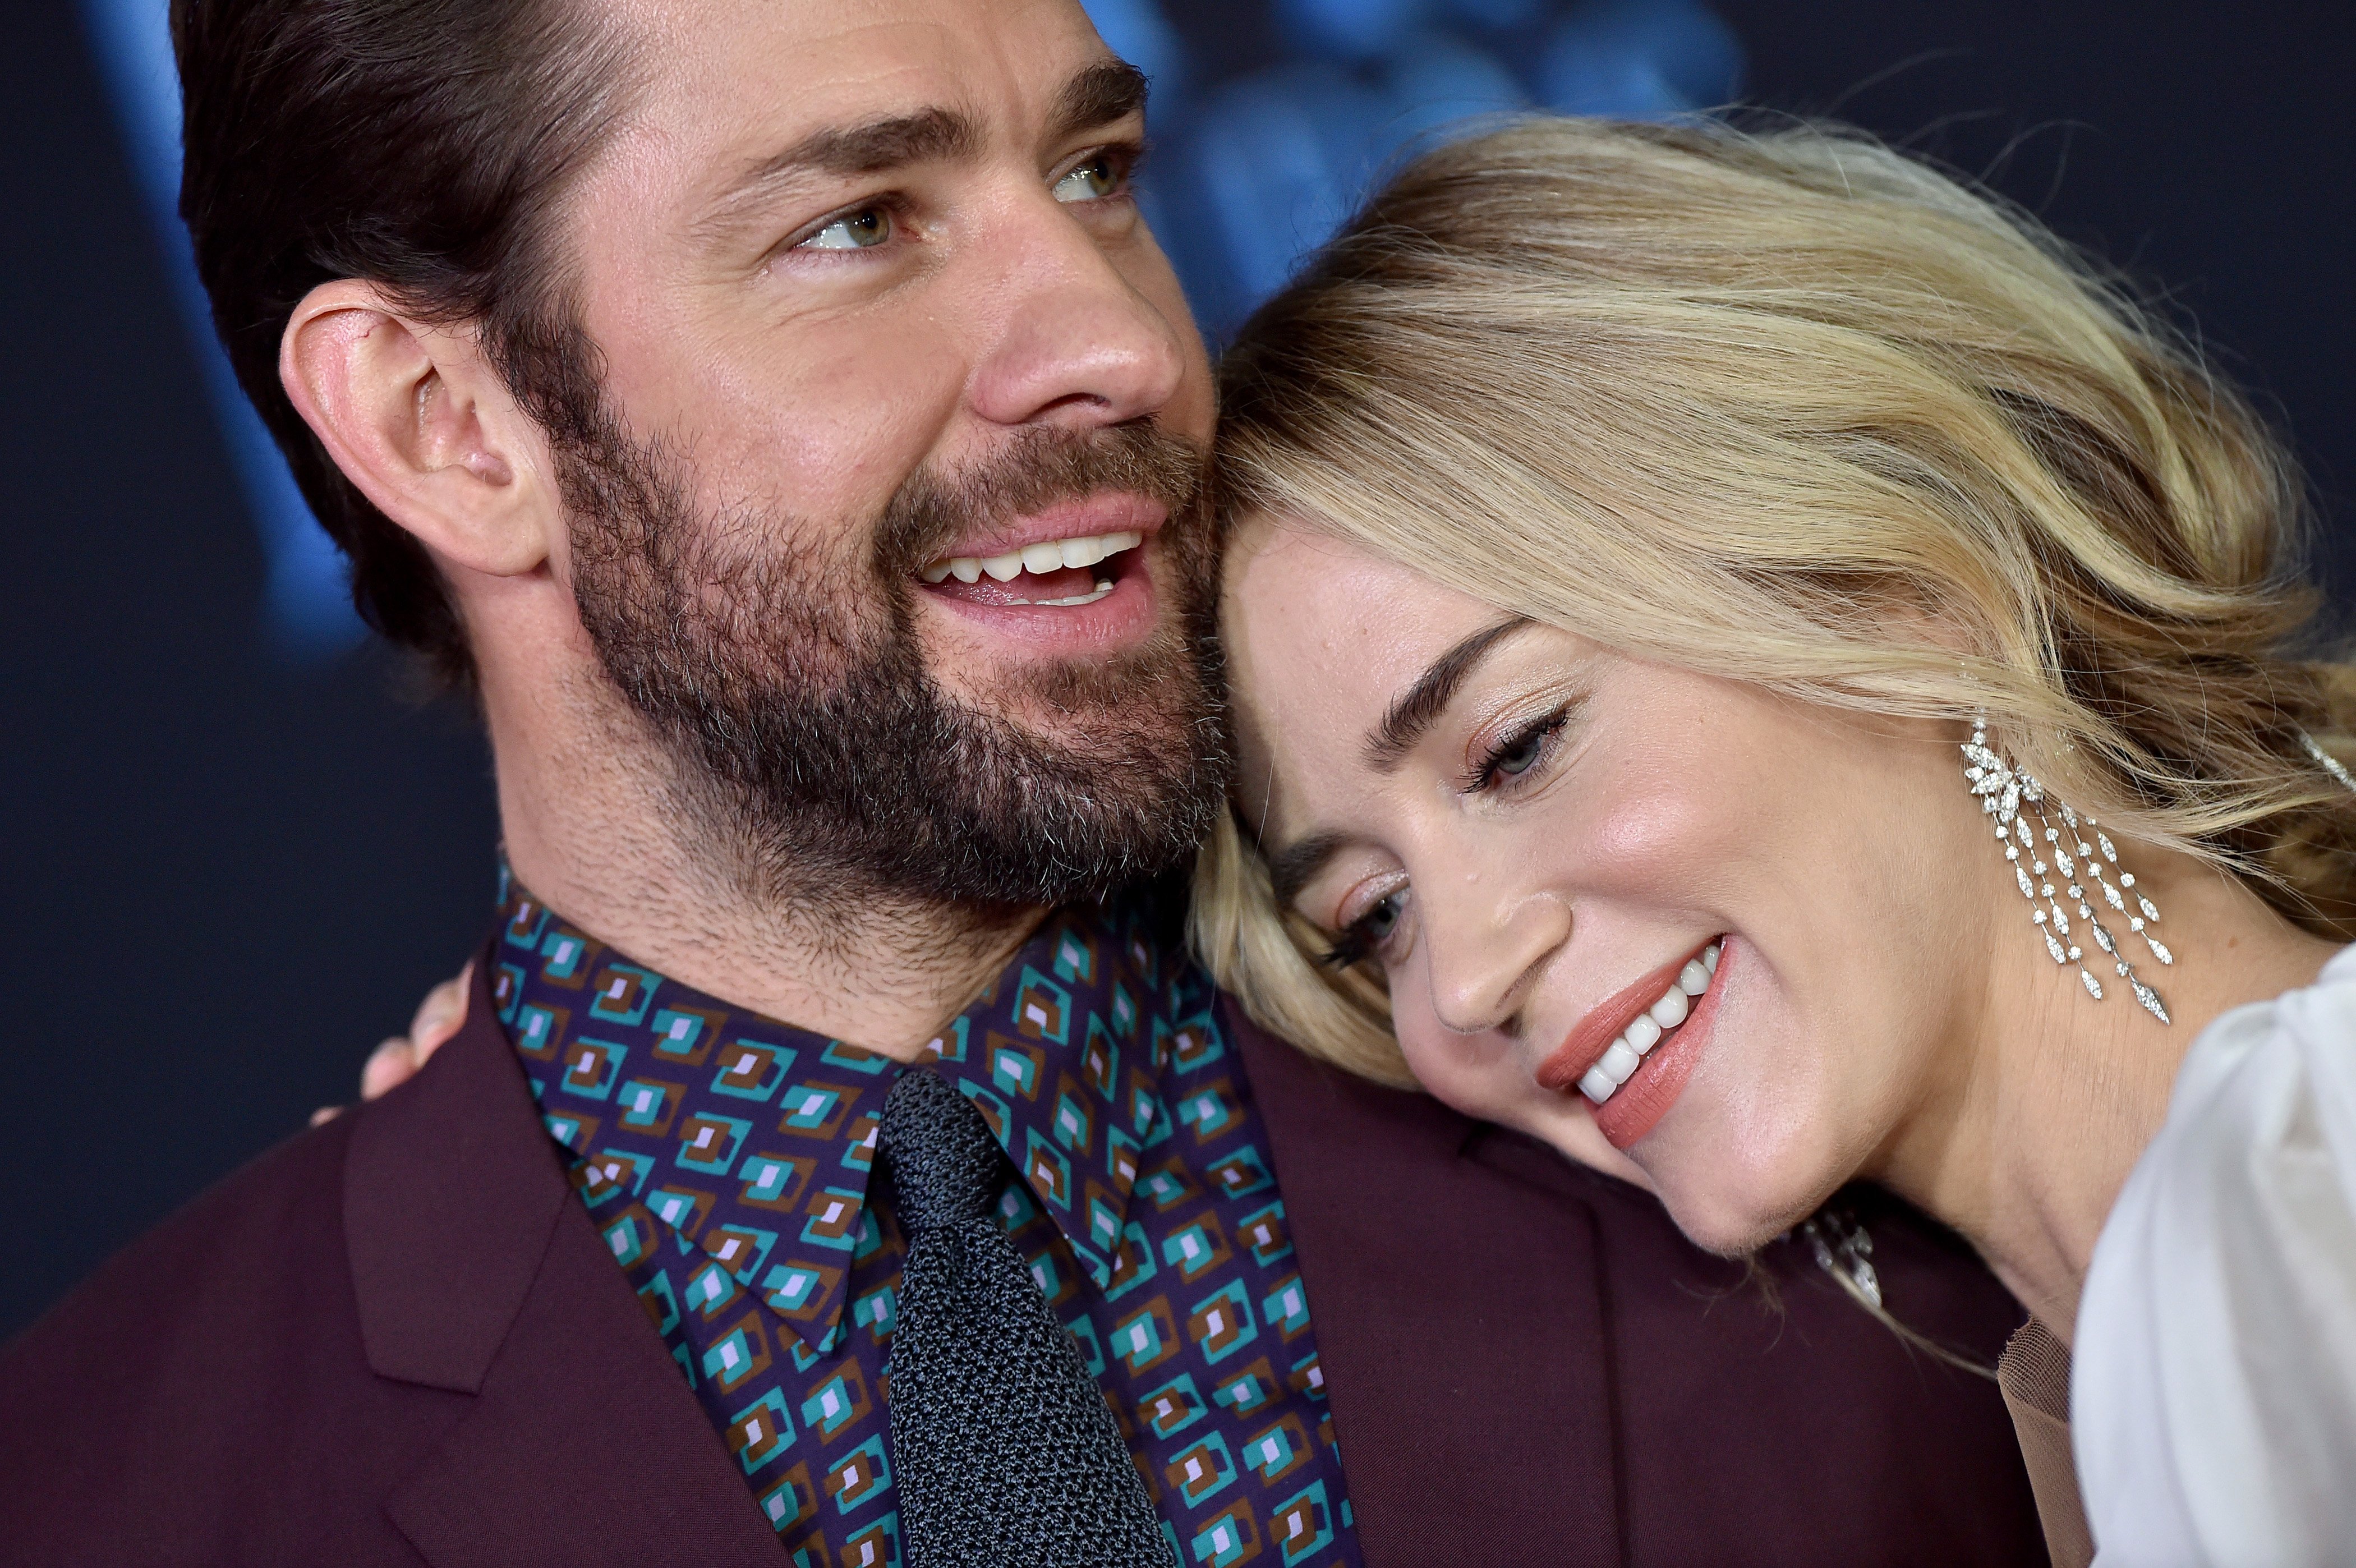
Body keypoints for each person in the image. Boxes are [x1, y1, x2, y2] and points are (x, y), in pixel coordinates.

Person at [0, 4, 2045, 1564]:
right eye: (859, 226)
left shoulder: (1704, 1068)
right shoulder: (116, 1482)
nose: (1117, 342)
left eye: (1096, 173)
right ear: (449, 426)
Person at [1192, 116, 2356, 1566]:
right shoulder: (2112, 1374)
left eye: (1519, 745)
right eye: (1376, 916)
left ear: (1902, 574)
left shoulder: (2312, 1195)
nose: (1465, 978)